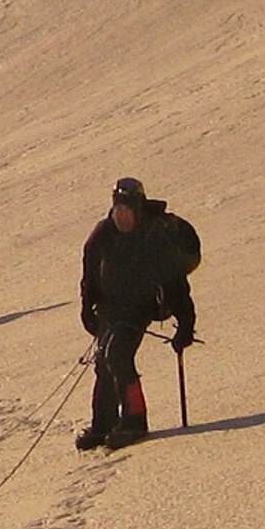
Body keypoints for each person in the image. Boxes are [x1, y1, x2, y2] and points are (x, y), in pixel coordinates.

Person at [77, 177, 200, 449]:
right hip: (112, 307)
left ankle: (135, 421)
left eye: (127, 209)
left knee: (117, 354)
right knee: (104, 362)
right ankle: (103, 425)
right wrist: (87, 310)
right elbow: (89, 278)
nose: (122, 215)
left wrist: (185, 327)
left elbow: (175, 286)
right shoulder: (101, 235)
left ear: (138, 208)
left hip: (142, 306)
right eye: (118, 209)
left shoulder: (153, 237)